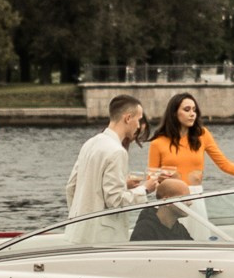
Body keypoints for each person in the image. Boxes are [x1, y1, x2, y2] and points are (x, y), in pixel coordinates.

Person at [65, 94, 163, 244]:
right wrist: (145, 189)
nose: (138, 125)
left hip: (77, 231)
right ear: (128, 118)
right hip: (102, 238)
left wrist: (124, 184)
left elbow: (71, 187)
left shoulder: (90, 143)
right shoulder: (117, 151)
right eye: (138, 119)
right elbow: (115, 201)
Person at [147, 91, 234, 190]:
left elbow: (225, 165)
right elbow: (150, 180)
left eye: (194, 110)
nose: (192, 114)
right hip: (169, 198)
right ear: (174, 113)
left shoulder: (202, 135)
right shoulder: (157, 143)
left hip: (196, 196)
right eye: (187, 110)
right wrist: (158, 180)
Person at [132, 175, 198, 241]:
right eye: (184, 198)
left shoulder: (180, 229)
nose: (190, 203)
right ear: (167, 201)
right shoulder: (145, 230)